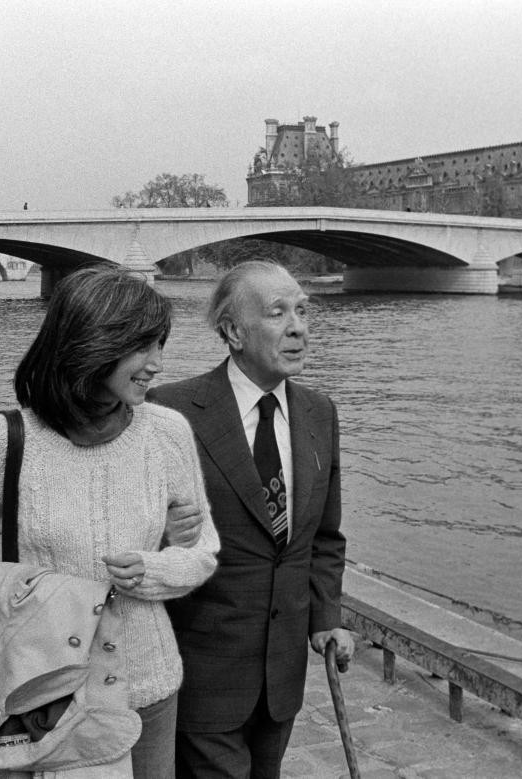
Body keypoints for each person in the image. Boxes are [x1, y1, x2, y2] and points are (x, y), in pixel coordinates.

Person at [0, 264, 221, 779]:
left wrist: (155, 570)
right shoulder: (7, 439)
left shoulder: (168, 433)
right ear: (93, 344)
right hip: (42, 692)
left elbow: (202, 550)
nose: (157, 364)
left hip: (147, 686)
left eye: (161, 345)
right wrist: (35, 594)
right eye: (144, 347)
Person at [149, 260, 354, 779]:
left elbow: (324, 537)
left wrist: (326, 618)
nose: (299, 327)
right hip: (202, 672)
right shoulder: (170, 413)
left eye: (302, 311)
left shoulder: (319, 412)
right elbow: (139, 535)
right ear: (233, 332)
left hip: (283, 678)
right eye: (278, 312)